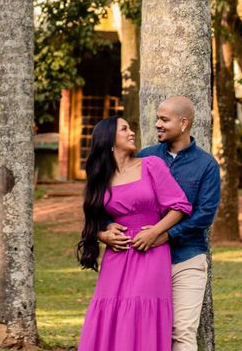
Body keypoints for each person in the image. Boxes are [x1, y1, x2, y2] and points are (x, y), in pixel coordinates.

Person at [101, 97, 221, 351]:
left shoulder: (206, 165)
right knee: (145, 329)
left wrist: (166, 234)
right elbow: (117, 199)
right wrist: (108, 227)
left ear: (184, 123)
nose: (157, 124)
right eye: (157, 118)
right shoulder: (145, 157)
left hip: (186, 259)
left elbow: (204, 214)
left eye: (164, 120)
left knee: (181, 331)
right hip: (146, 260)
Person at [77, 116, 192, 351]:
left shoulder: (151, 165)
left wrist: (156, 232)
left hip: (151, 250)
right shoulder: (99, 179)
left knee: (141, 311)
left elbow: (180, 207)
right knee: (111, 311)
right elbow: (94, 221)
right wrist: (104, 234)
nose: (132, 133)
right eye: (124, 129)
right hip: (117, 256)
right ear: (109, 140)